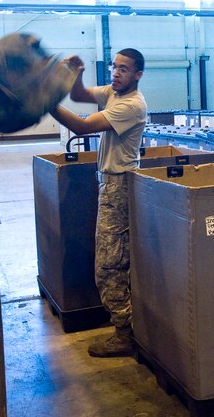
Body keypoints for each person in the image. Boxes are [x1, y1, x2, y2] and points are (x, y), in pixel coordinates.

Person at [51, 49, 147, 358]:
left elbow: (81, 127)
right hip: (109, 183)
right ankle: (128, 327)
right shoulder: (113, 93)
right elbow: (79, 94)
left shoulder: (132, 104)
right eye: (114, 67)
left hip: (120, 186)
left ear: (137, 75)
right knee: (113, 260)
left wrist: (46, 104)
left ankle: (125, 333)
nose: (116, 73)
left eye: (124, 69)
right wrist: (75, 73)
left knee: (110, 264)